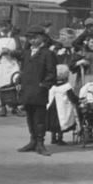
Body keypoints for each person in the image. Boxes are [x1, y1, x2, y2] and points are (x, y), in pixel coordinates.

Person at [17, 27, 57, 156]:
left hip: (39, 90)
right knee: (29, 116)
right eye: (30, 38)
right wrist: (20, 82)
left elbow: (51, 73)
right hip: (27, 89)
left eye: (35, 38)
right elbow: (23, 70)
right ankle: (32, 141)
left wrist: (44, 85)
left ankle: (40, 143)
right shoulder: (27, 53)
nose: (32, 40)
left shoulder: (48, 53)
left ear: (43, 38)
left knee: (39, 118)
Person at [0, 22, 23, 117]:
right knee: (1, 86)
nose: (4, 28)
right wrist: (0, 53)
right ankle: (3, 107)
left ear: (10, 27)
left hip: (12, 64)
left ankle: (15, 107)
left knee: (15, 83)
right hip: (0, 64)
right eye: (2, 26)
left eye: (6, 26)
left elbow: (20, 52)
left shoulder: (15, 38)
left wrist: (10, 52)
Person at [47, 65, 79, 145]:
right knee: (61, 122)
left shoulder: (52, 86)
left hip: (51, 106)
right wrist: (78, 100)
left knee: (53, 123)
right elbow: (72, 98)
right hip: (61, 107)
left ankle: (53, 138)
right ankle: (60, 139)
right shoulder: (67, 87)